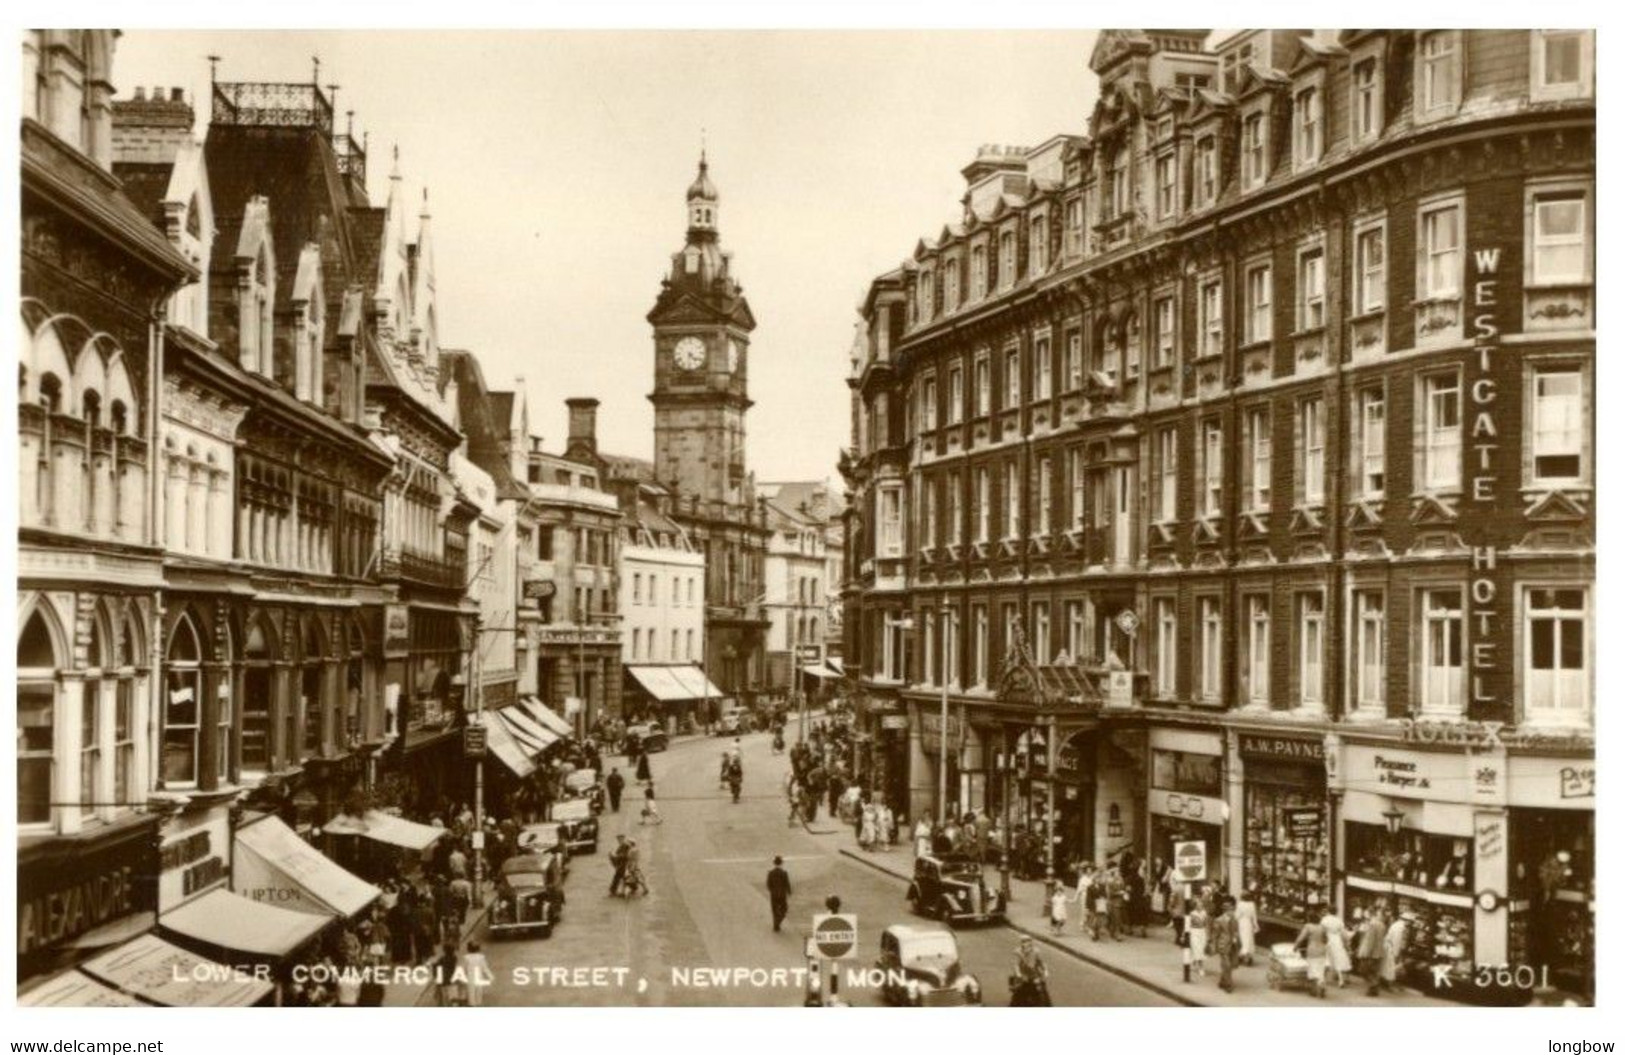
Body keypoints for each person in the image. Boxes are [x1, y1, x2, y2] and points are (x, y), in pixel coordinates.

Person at [1294, 915, 1330, 998]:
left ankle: (1314, 990)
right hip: (1322, 950)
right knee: (1320, 970)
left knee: (1313, 970)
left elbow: (1300, 938)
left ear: (1310, 920)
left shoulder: (1308, 927)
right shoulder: (1323, 927)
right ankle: (1321, 983)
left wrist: (1295, 947)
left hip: (1312, 950)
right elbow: (1326, 940)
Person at [1010, 937, 1052, 1006]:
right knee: (1018, 990)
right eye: (1024, 942)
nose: (1026, 944)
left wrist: (1046, 970)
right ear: (1021, 943)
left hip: (1034, 974)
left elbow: (1041, 962)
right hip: (1023, 974)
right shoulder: (1018, 952)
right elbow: (1016, 965)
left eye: (1028, 942)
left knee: (1042, 989)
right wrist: (1018, 974)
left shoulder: (1036, 951)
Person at [1356, 907, 1388, 995]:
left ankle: (1373, 985)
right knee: (1373, 971)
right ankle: (1373, 989)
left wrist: (1364, 953)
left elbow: (1370, 940)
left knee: (1364, 970)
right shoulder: (1382, 925)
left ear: (1371, 914)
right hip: (1378, 952)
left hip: (1371, 953)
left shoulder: (1373, 924)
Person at [1212, 897, 1240, 993]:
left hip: (1232, 945)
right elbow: (1215, 935)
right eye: (1230, 910)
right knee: (1227, 965)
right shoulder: (1218, 920)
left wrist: (1236, 939)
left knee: (1230, 965)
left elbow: (1236, 931)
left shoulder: (1234, 919)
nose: (1232, 911)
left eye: (1232, 909)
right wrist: (1214, 946)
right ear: (1225, 910)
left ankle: (1222, 981)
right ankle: (1228, 985)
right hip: (1223, 945)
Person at [1321, 908, 1353, 987]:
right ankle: (1341, 980)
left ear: (1328, 911)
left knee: (1326, 958)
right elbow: (1343, 933)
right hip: (1336, 939)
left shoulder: (1324, 919)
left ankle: (1322, 979)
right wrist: (1346, 943)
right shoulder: (1339, 920)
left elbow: (1322, 931)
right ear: (1336, 912)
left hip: (1328, 938)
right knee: (1338, 958)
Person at [1381, 911, 1409, 994]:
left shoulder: (1396, 924)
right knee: (1390, 967)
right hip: (1391, 948)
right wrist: (1396, 953)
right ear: (1406, 920)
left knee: (1387, 967)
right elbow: (1396, 941)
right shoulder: (1400, 927)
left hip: (1388, 946)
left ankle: (1386, 983)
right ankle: (1389, 985)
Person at [1185, 896, 1210, 979]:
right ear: (1195, 906)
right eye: (1199, 905)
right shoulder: (1192, 914)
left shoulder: (1204, 913)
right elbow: (1187, 925)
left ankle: (1195, 960)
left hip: (1202, 932)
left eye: (1201, 904)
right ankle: (1201, 967)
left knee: (1201, 948)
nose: (1200, 906)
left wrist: (1208, 934)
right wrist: (1183, 935)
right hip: (1194, 931)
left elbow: (1207, 924)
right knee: (1197, 948)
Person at [767, 855, 793, 932]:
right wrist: (789, 892)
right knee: (784, 909)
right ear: (781, 863)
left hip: (774, 894)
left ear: (774, 864)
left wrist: (772, 891)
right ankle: (778, 921)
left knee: (774, 910)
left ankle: (776, 925)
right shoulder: (784, 873)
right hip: (782, 894)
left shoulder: (771, 873)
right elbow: (787, 883)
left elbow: (768, 884)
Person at [1235, 889, 1260, 966]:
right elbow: (1254, 916)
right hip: (1249, 923)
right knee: (1249, 939)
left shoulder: (1240, 904)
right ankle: (1247, 956)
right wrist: (1256, 925)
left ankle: (1242, 955)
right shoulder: (1252, 904)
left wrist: (1235, 921)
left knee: (1242, 939)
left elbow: (1237, 915)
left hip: (1242, 922)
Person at [463, 941, 491, 1008]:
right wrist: (490, 976)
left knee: (471, 992)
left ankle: (472, 1004)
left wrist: (463, 976)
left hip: (470, 977)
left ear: (468, 949)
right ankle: (478, 1003)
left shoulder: (466, 957)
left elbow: (464, 968)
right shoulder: (481, 957)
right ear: (478, 949)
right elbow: (485, 968)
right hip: (479, 977)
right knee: (479, 991)